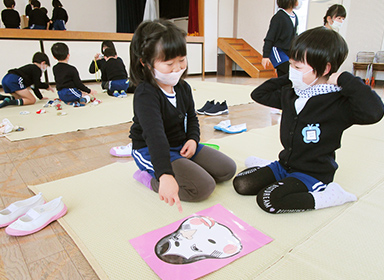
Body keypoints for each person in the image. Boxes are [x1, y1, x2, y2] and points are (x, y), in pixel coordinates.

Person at [233, 27, 384, 214]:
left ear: (326, 68)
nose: (292, 71)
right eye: (291, 65)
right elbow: (259, 94)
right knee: (241, 183)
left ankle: (331, 195)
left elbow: (375, 111)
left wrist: (346, 79)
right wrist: (291, 78)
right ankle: (271, 168)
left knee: (268, 200)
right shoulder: (292, 92)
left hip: (312, 174)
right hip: (284, 165)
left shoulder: (338, 103)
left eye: (298, 67)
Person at [129, 19, 237, 212]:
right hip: (150, 150)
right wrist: (164, 175)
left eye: (182, 60)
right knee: (203, 187)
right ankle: (148, 179)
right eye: (169, 63)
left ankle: (181, 168)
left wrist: (193, 140)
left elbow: (192, 118)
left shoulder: (183, 87)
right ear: (145, 62)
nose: (178, 68)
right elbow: (155, 137)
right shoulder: (146, 94)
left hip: (180, 146)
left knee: (227, 169)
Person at [261, 0, 299, 77]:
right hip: (278, 51)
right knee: (288, 72)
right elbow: (270, 37)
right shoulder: (278, 17)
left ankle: (281, 89)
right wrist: (265, 56)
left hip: (288, 51)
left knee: (285, 77)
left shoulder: (295, 17)